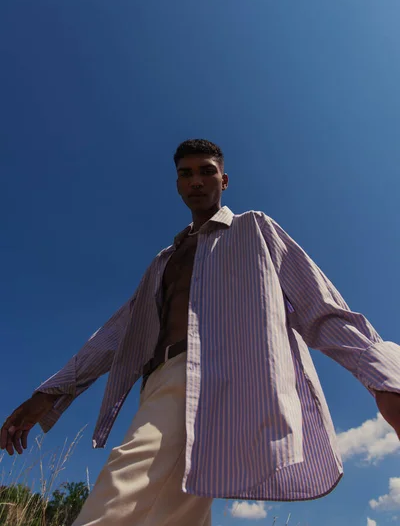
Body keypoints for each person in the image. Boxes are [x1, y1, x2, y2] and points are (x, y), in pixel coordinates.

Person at [2, 139, 400, 526]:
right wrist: (50, 391)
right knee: (174, 513)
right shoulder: (163, 262)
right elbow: (115, 334)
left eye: (206, 172)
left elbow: (322, 307)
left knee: (117, 503)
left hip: (211, 374)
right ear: (177, 184)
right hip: (157, 382)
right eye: (185, 174)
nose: (196, 181)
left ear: (223, 181)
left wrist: (382, 377)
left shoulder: (254, 230)